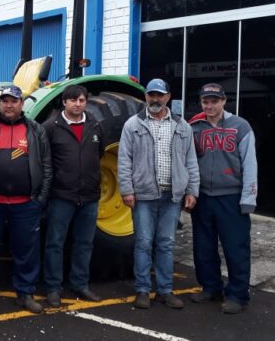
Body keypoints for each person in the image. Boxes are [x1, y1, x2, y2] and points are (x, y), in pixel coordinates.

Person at [0, 85, 52, 315]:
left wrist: (40, 199)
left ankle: (26, 293)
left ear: (21, 103)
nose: (9, 105)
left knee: (27, 250)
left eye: (13, 100)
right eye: (4, 100)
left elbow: (46, 166)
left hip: (25, 204)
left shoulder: (35, 130)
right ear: (0, 103)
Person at [117, 78, 199, 310]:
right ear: (146, 97)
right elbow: (124, 161)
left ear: (168, 97)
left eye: (159, 95)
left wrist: (192, 190)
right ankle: (143, 290)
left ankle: (165, 290)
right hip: (143, 195)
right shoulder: (132, 125)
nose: (155, 99)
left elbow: (190, 161)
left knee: (166, 243)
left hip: (172, 196)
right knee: (143, 243)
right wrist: (126, 190)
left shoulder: (182, 126)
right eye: (151, 95)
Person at [189, 83, 258, 314]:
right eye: (205, 101)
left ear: (224, 101)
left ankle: (238, 295)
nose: (209, 106)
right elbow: (189, 162)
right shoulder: (195, 127)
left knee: (235, 248)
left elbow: (250, 164)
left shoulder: (241, 126)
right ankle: (211, 288)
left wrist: (248, 198)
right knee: (203, 247)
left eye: (214, 101)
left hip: (231, 197)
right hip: (203, 197)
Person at [42, 84, 104, 307]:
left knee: (85, 243)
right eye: (73, 100)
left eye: (82, 100)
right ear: (64, 102)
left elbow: (100, 153)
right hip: (62, 196)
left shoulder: (95, 125)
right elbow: (44, 160)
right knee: (55, 243)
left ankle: (80, 283)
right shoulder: (50, 127)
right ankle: (53, 288)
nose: (78, 104)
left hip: (89, 196)